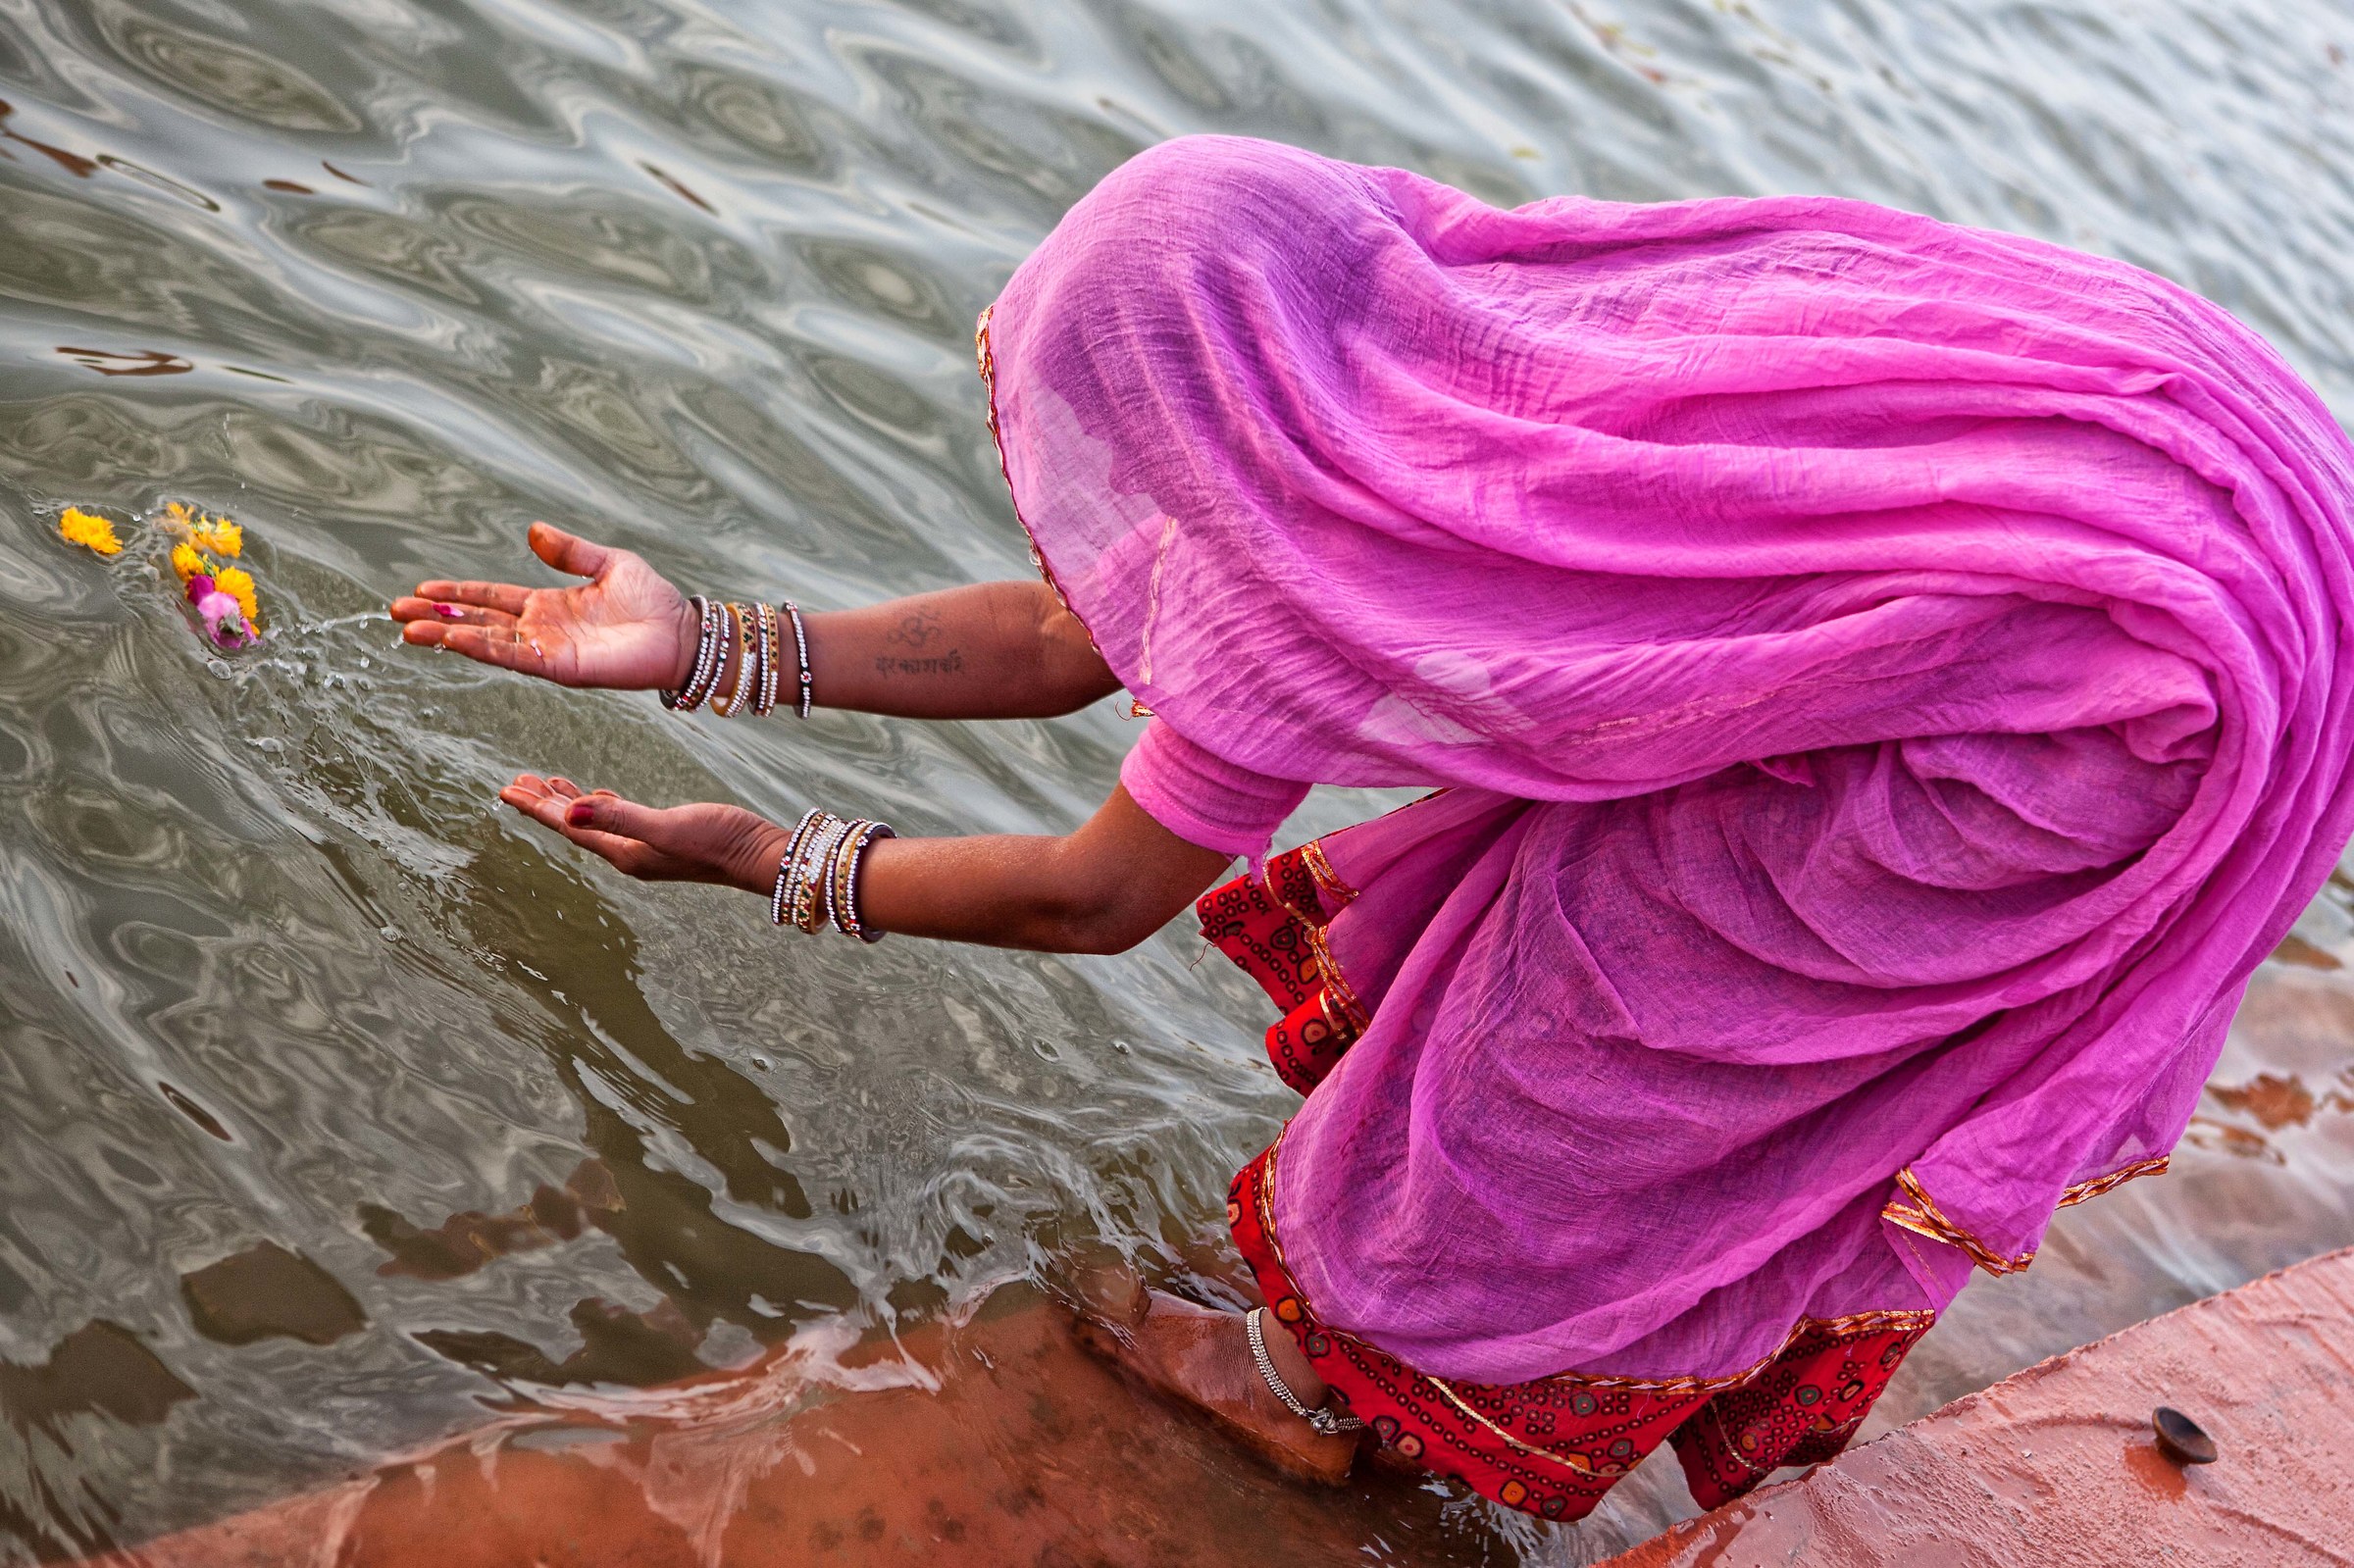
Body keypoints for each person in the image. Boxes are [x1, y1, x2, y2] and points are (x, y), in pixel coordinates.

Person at [392, 135, 2354, 1522]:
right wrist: (705, 642)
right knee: (1599, 919)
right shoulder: (1441, 356)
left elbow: (1093, 896)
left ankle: (1325, 1383)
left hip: (2122, 691)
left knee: (1599, 1020)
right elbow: (1096, 635)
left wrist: (765, 856)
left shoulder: (1335, 544)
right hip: (2212, 477)